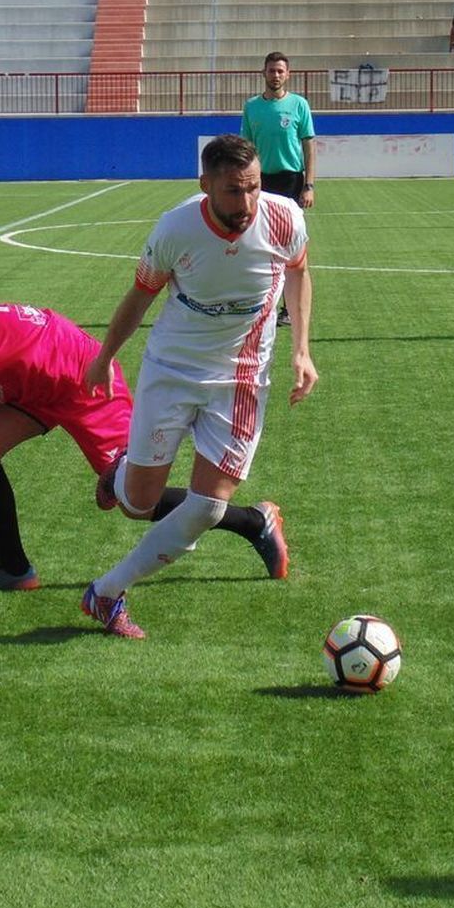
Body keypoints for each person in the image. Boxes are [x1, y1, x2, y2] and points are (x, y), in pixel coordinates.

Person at [0, 306, 289, 589]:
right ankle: (15, 570)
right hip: (36, 384)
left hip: (82, 380)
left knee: (135, 500)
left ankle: (254, 521)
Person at [76, 134, 316, 639]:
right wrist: (104, 358)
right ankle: (122, 475)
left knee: (207, 506)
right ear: (205, 185)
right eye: (233, 190)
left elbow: (299, 273)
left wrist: (302, 349)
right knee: (138, 504)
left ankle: (107, 592)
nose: (246, 202)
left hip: (242, 377)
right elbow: (139, 297)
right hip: (171, 369)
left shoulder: (285, 218)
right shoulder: (176, 228)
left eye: (253, 187)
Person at [240, 51, 315, 327]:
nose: (276, 75)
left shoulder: (299, 105)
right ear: (264, 73)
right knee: (255, 241)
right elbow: (246, 148)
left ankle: (288, 309)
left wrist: (309, 185)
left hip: (291, 181)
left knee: (291, 244)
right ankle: (257, 304)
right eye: (271, 70)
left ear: (288, 74)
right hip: (261, 182)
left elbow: (309, 145)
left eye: (280, 71)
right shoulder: (251, 107)